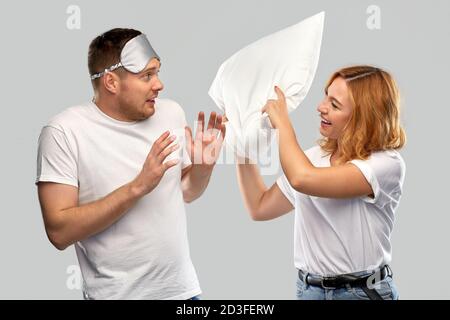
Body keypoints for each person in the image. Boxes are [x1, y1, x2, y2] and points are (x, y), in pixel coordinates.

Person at [36, 28, 225, 300]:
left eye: (157, 72)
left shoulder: (171, 114)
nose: (159, 85)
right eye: (147, 76)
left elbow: (185, 192)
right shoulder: (64, 132)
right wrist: (137, 187)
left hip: (183, 293)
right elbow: (59, 232)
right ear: (111, 82)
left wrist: (203, 168)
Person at [236, 65, 406, 300]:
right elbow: (259, 206)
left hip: (360, 293)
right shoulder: (313, 159)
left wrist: (283, 124)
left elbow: (301, 178)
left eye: (334, 105)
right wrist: (241, 147)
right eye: (326, 96)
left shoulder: (384, 164)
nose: (321, 107)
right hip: (310, 291)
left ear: (363, 117)